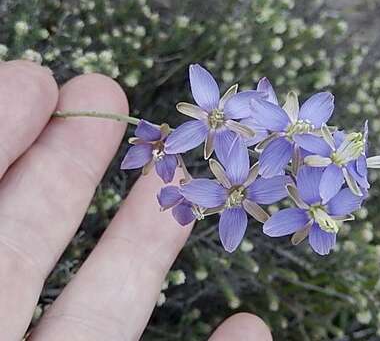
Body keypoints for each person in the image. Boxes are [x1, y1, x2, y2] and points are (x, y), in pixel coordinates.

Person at [0, 60, 273, 341]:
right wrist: (165, 149)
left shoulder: (232, 148)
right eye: (214, 117)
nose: (216, 119)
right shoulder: (201, 142)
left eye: (218, 120)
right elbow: (171, 145)